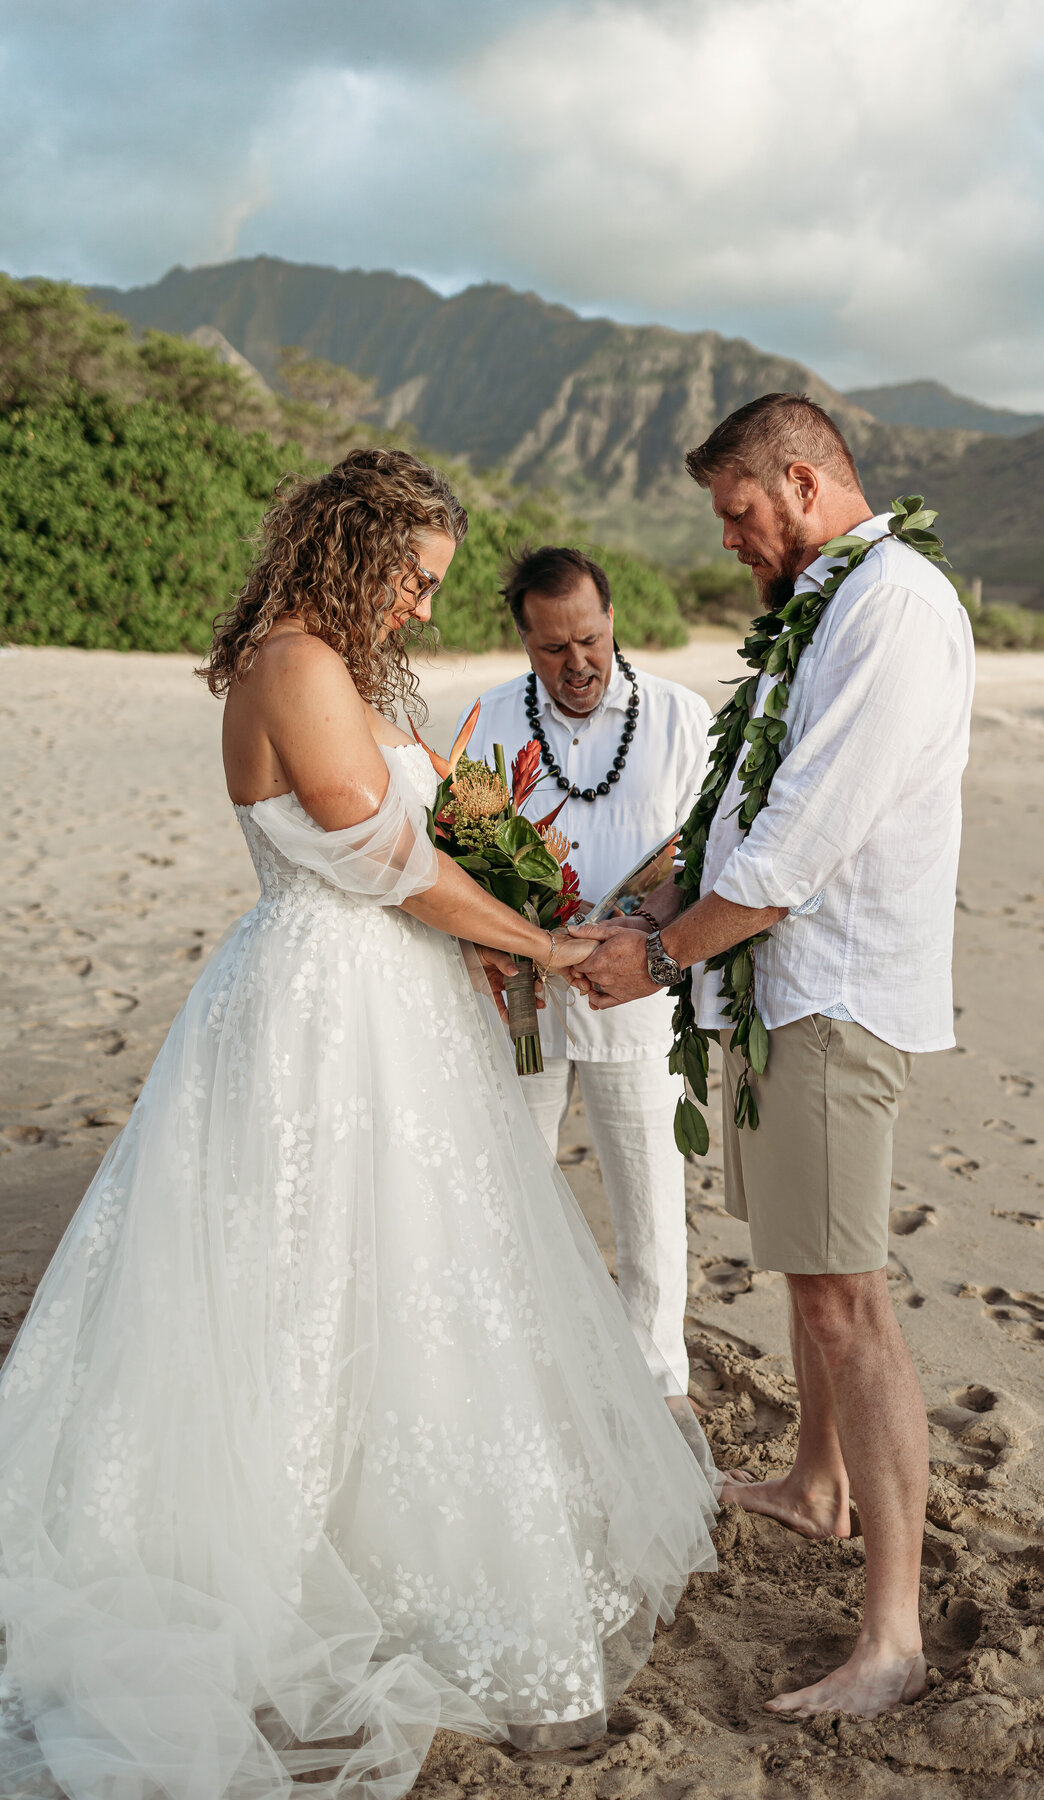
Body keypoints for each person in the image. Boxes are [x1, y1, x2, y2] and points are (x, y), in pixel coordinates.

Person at [0, 449, 720, 1800]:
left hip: (392, 1008)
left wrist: (495, 917)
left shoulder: (349, 671)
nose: (423, 609)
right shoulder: (289, 663)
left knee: (416, 1281)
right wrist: (536, 940)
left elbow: (429, 830)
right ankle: (271, 1575)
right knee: (305, 1280)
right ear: (352, 547)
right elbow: (381, 858)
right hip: (318, 1011)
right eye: (414, 579)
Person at [569, 394, 975, 1721]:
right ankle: (815, 1486)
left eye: (741, 515)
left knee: (846, 1297)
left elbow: (800, 846)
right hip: (778, 991)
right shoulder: (822, 608)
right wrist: (640, 896)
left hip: (833, 997)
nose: (734, 542)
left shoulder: (891, 606)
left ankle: (895, 1635)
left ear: (801, 484)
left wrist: (663, 955)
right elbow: (742, 797)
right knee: (808, 1278)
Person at [454, 546, 712, 1396]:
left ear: (613, 621)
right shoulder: (486, 723)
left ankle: (658, 1382)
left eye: (591, 640)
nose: (578, 665)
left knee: (649, 1206)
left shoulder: (680, 720)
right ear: (524, 641)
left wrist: (652, 928)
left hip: (634, 1003)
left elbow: (715, 857)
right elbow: (452, 860)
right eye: (554, 649)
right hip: (521, 1003)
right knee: (509, 1191)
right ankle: (510, 1378)